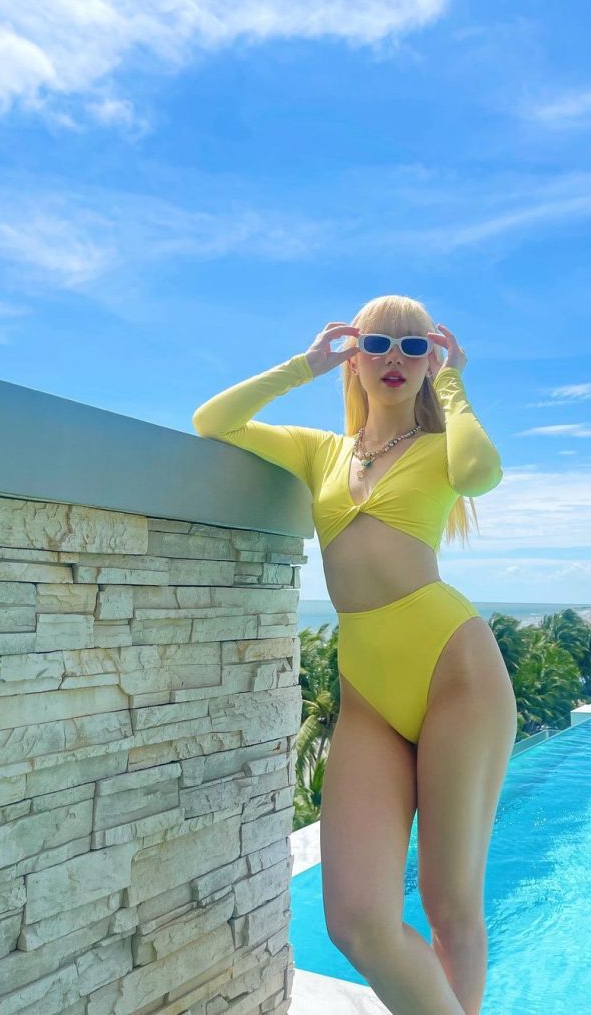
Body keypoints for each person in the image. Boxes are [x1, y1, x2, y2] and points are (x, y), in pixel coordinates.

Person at [192, 294, 517, 1015]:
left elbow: (480, 472)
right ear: (354, 355)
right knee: (355, 919)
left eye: (413, 346)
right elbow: (213, 422)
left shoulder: (440, 449)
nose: (394, 358)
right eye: (378, 344)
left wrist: (454, 382)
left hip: (456, 672)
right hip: (367, 693)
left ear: (430, 360)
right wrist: (303, 366)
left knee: (450, 902)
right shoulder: (322, 452)